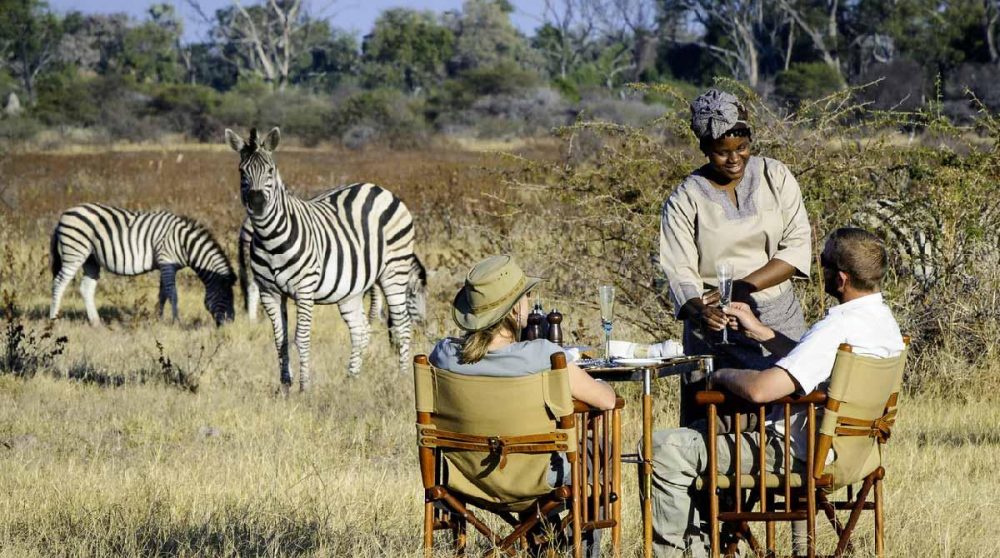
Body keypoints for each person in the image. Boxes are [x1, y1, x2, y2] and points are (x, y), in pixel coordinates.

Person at [650, 228, 905, 558]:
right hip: (855, 456)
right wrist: (761, 332)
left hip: (794, 455)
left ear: (841, 278)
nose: (819, 268)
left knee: (663, 448)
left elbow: (760, 390)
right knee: (697, 439)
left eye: (823, 261)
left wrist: (718, 374)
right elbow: (816, 360)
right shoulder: (886, 325)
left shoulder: (837, 327)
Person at [430, 254, 617, 556]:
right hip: (537, 480)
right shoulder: (543, 356)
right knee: (597, 448)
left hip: (465, 478)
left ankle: (543, 543)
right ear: (516, 307)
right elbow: (606, 401)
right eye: (526, 295)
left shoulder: (443, 355)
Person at [660, 88, 812, 427]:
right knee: (713, 426)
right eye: (721, 152)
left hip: (777, 318)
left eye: (742, 148)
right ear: (704, 149)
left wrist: (745, 287)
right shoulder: (685, 198)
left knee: (785, 420)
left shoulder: (776, 176)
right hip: (713, 331)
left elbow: (797, 248)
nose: (734, 159)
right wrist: (702, 312)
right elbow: (679, 272)